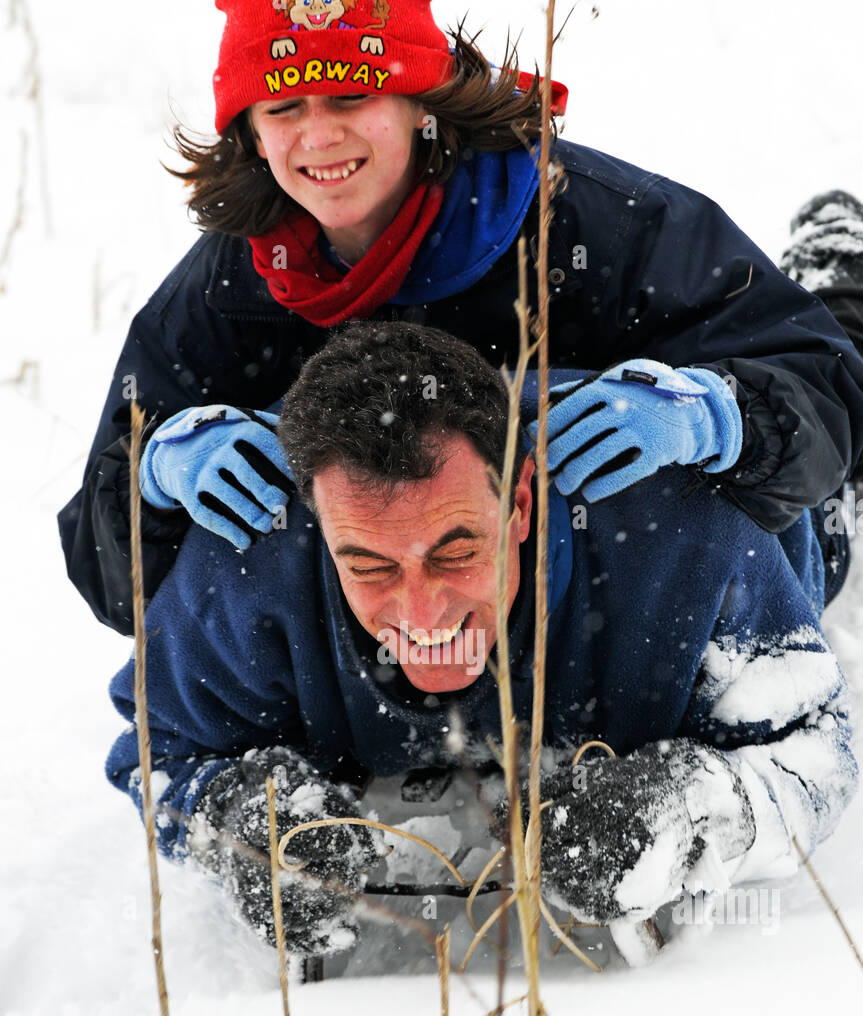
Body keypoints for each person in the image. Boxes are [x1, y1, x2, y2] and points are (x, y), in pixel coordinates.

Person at [59, 1, 863, 634]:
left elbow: (826, 387)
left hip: (642, 601)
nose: (318, 134)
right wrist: (156, 478)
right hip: (414, 640)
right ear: (249, 133)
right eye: (281, 108)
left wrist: (714, 419)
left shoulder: (590, 222)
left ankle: (838, 267)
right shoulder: (228, 288)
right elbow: (110, 578)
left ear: (421, 101)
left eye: (350, 93)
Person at [105, 321, 858, 963]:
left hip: (794, 529)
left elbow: (820, 747)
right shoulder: (244, 558)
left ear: (521, 504)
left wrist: (688, 807)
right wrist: (241, 821)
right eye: (367, 565)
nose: (422, 612)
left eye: (455, 552)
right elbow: (158, 753)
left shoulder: (686, 530)